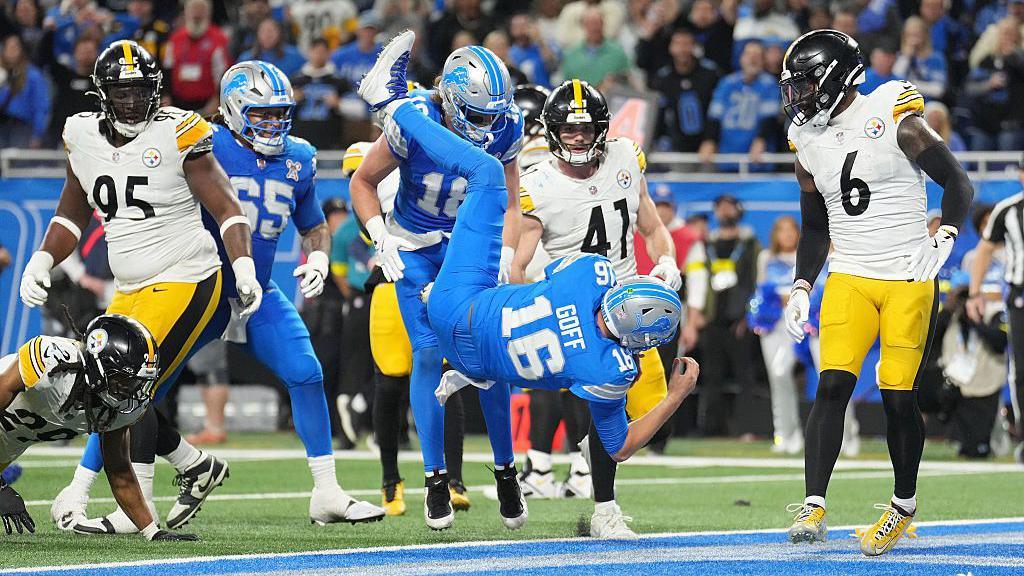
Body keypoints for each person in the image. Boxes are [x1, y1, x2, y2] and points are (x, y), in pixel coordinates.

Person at [358, 29, 699, 536]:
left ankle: (390, 101)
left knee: (486, 177)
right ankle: (507, 469)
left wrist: (512, 275)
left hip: (466, 303)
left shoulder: (590, 275)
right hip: (473, 325)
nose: (581, 139)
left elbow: (543, 269)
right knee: (489, 184)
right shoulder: (607, 369)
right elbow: (620, 442)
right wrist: (676, 396)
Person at [63, 60, 386, 534]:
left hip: (257, 292)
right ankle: (99, 489)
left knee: (306, 371)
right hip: (201, 286)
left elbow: (313, 224)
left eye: (281, 113)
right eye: (263, 114)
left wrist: (317, 258)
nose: (275, 124)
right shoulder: (204, 144)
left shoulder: (298, 156)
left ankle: (327, 492)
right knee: (135, 387)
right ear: (234, 110)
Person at [21, 39, 259, 533]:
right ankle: (193, 463)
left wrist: (244, 266)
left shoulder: (178, 133)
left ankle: (139, 506)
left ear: (155, 90)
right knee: (113, 386)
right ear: (102, 93)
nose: (131, 102)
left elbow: (227, 208)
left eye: (139, 91)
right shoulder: (81, 135)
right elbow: (72, 213)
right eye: (121, 91)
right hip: (129, 287)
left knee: (123, 384)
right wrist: (43, 257)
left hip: (186, 276)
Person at [780, 30, 974, 555]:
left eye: (802, 84)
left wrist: (948, 232)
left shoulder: (892, 113)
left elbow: (959, 182)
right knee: (831, 387)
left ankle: (903, 506)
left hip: (909, 274)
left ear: (835, 77)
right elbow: (816, 226)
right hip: (849, 274)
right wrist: (802, 283)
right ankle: (814, 504)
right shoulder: (806, 139)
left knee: (897, 395)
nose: (795, 96)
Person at [348, 43, 523, 530]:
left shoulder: (506, 125)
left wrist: (506, 252)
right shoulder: (420, 117)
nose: (487, 126)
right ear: (448, 97)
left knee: (489, 352)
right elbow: (362, 182)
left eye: (493, 116)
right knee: (426, 353)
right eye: (474, 114)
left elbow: (510, 202)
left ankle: (506, 470)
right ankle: (434, 477)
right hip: (416, 245)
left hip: (468, 245)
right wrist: (379, 235)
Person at [509, 78, 683, 538]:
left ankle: (586, 468)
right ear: (551, 131)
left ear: (603, 129)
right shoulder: (538, 186)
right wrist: (537, 308)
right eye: (569, 131)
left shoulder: (626, 158)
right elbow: (517, 263)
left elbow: (651, 225)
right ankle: (603, 506)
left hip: (627, 301)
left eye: (587, 131)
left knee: (647, 412)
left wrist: (666, 261)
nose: (579, 139)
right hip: (577, 309)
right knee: (607, 404)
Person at [342, 141, 470, 517]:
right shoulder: (376, 163)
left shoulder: (436, 167)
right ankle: (390, 479)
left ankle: (454, 478)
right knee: (390, 380)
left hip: (430, 283)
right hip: (389, 284)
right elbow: (360, 185)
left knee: (448, 376)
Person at [0, 315, 196, 541]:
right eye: (126, 381)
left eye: (139, 383)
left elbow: (120, 471)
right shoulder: (51, 362)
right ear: (99, 368)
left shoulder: (117, 408)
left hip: (10, 442)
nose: (133, 391)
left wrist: (152, 531)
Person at [683, 195, 760, 435]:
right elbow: (697, 282)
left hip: (740, 321)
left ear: (738, 210)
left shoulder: (750, 245)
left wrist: (748, 316)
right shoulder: (707, 246)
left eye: (728, 207)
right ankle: (710, 429)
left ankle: (748, 427)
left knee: (745, 376)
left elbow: (756, 281)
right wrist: (699, 316)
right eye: (720, 208)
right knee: (711, 377)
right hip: (712, 321)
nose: (724, 212)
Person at [967, 162, 1024, 466]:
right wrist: (975, 292)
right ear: (1021, 175)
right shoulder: (1008, 210)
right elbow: (985, 250)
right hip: (1020, 296)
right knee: (1021, 369)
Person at [749, 216, 803, 454]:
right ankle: (783, 435)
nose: (787, 235)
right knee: (777, 377)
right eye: (782, 230)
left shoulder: (806, 256)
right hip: (772, 324)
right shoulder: (766, 258)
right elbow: (760, 289)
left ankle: (841, 434)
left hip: (800, 322)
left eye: (791, 230)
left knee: (788, 371)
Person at [163, 0, 231, 114]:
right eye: (193, 10)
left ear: (208, 13)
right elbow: (167, 69)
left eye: (201, 10)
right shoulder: (175, 38)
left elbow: (224, 72)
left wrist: (218, 99)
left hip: (207, 104)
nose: (197, 14)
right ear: (186, 13)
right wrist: (166, 95)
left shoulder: (219, 39)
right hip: (178, 103)